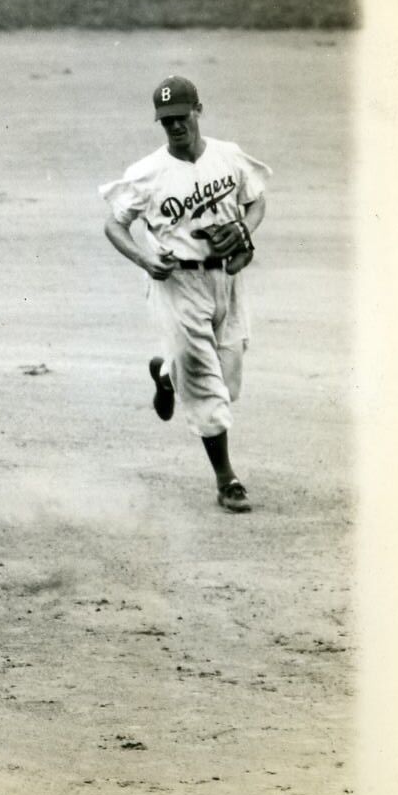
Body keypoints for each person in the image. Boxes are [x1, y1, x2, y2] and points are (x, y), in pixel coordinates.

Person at [99, 76, 272, 513]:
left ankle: (165, 373)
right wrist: (143, 259)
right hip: (177, 286)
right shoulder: (148, 173)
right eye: (166, 121)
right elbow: (114, 224)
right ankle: (226, 479)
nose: (175, 127)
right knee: (207, 391)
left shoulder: (228, 156)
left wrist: (244, 230)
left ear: (199, 110)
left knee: (228, 385)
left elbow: (256, 200)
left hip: (229, 283)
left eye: (181, 117)